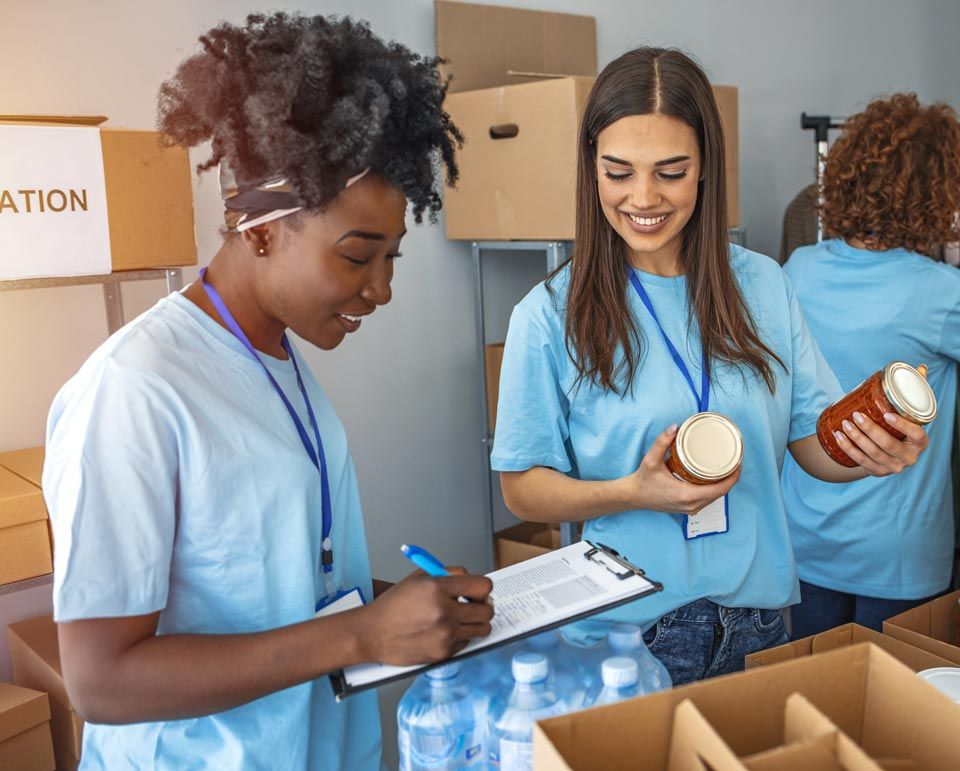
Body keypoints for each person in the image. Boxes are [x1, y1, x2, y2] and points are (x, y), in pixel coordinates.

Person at [42, 13, 492, 770]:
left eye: (392, 258)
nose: (381, 289)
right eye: (357, 257)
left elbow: (271, 579)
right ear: (258, 230)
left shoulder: (275, 357)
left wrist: (401, 607)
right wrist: (361, 635)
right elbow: (100, 680)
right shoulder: (134, 391)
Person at [490, 47, 928, 686]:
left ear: (705, 171)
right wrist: (630, 493)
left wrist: (869, 448)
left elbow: (812, 445)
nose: (643, 198)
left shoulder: (765, 288)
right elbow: (521, 485)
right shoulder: (548, 315)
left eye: (670, 171)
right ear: (591, 171)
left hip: (760, 623)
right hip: (624, 634)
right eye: (618, 172)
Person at [781, 94, 960, 637]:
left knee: (813, 706)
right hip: (898, 552)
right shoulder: (939, 292)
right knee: (896, 715)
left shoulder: (798, 269)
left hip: (805, 536)